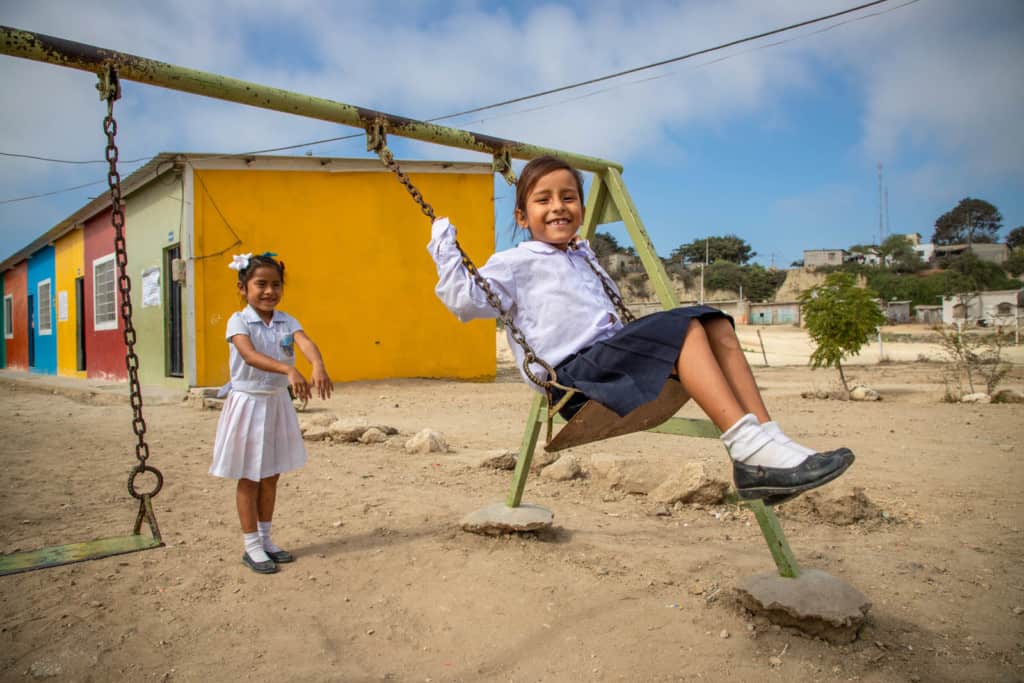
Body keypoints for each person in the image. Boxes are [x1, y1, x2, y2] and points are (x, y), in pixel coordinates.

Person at [428, 156, 852, 503]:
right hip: (575, 377)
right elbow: (465, 301)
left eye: (569, 197)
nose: (558, 206)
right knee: (685, 328)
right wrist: (444, 246)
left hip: (610, 360)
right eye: (544, 200)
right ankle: (746, 448)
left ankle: (767, 441)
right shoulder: (515, 263)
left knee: (714, 322)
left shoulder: (582, 256)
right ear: (522, 215)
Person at [210, 252, 332, 574]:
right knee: (249, 475)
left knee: (270, 474)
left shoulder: (286, 321)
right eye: (260, 284)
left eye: (275, 285)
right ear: (243, 287)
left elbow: (304, 342)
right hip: (248, 404)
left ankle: (266, 539)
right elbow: (248, 355)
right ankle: (250, 545)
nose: (269, 291)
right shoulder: (238, 321)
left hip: (276, 404)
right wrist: (288, 370)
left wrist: (316, 363)